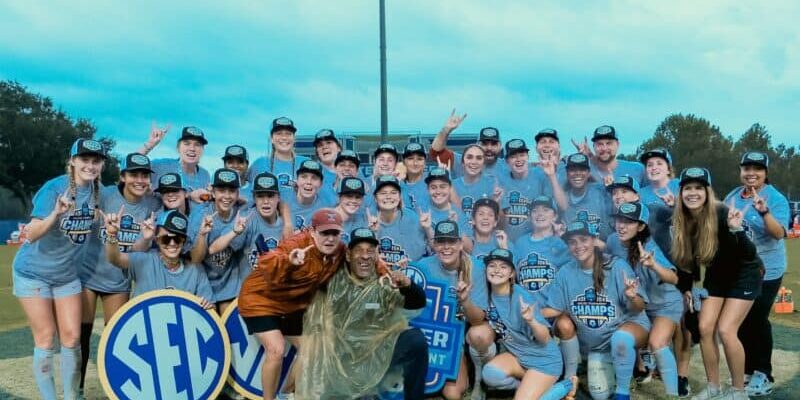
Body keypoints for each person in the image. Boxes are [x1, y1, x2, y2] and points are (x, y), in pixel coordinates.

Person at [237, 208, 388, 400]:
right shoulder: (297, 244)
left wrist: (386, 275)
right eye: (325, 233)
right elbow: (269, 261)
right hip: (261, 300)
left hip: (293, 305)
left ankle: (287, 394)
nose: (330, 238)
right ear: (312, 231)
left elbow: (366, 259)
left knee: (316, 348)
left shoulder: (340, 250)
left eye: (335, 233)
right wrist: (289, 261)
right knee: (276, 349)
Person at [13, 138, 105, 400]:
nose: (90, 165)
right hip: (33, 273)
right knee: (45, 338)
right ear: (73, 161)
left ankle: (71, 396)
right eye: (84, 160)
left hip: (66, 276)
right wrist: (55, 214)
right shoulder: (54, 188)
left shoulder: (98, 191)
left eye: (95, 161)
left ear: (101, 164)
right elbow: (31, 234)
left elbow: (130, 184)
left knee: (73, 339)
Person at [296, 227, 428, 399]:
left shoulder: (383, 282)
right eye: (359, 250)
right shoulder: (333, 279)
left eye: (370, 251)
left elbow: (416, 303)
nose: (365, 256)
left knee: (415, 340)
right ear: (349, 254)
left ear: (376, 255)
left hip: (376, 350)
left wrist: (409, 285)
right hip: (340, 356)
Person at [669, 168, 763, 400]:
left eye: (698, 188)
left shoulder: (722, 212)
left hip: (745, 273)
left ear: (708, 191)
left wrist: (736, 229)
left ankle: (739, 392)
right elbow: (687, 262)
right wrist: (687, 289)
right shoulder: (683, 218)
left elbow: (749, 254)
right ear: (681, 192)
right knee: (704, 327)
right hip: (717, 276)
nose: (693, 193)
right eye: (687, 188)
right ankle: (713, 387)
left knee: (726, 330)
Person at [78, 153, 160, 391]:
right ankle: (78, 389)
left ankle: (114, 389)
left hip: (118, 281)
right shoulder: (104, 195)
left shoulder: (151, 205)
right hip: (89, 275)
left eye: (144, 175)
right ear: (122, 176)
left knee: (116, 339)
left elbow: (135, 253)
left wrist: (146, 239)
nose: (140, 180)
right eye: (134, 174)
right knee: (82, 336)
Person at [543, 220, 650, 400]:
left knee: (621, 339)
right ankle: (571, 379)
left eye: (583, 239)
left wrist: (632, 296)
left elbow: (639, 308)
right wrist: (529, 316)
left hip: (624, 331)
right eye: (573, 242)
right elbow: (554, 309)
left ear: (594, 240)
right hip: (593, 345)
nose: (578, 246)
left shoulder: (616, 266)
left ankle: (623, 392)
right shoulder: (565, 272)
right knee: (562, 323)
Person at [465, 248, 578, 400]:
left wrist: (531, 321)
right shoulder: (486, 293)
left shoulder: (521, 297)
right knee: (490, 374)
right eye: (492, 265)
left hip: (544, 362)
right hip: (519, 358)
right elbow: (475, 318)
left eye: (503, 267)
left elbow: (544, 338)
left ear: (512, 274)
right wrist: (464, 299)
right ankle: (534, 388)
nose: (497, 270)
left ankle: (565, 385)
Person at [725, 151, 790, 397]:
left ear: (765, 173)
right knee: (741, 321)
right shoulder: (733, 195)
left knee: (757, 319)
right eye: (746, 168)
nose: (751, 173)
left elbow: (778, 234)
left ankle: (764, 373)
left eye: (757, 169)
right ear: (741, 171)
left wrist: (763, 212)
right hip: (741, 269)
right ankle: (749, 370)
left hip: (768, 270)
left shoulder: (775, 199)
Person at [608, 201, 683, 397]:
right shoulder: (612, 241)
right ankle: (632, 377)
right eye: (619, 220)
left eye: (629, 222)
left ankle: (672, 394)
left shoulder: (650, 245)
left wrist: (653, 265)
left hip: (664, 304)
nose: (622, 226)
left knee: (658, 343)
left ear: (641, 226)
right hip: (638, 305)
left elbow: (674, 278)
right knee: (622, 336)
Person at [409, 221, 486, 400]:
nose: (446, 247)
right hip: (427, 335)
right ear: (434, 244)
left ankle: (469, 369)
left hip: (454, 337)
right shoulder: (422, 267)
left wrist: (465, 301)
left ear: (460, 244)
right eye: (441, 242)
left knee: (452, 395)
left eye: (451, 242)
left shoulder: (476, 268)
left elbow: (477, 320)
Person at [102, 209, 214, 307]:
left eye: (178, 239)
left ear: (184, 241)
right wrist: (112, 234)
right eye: (166, 239)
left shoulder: (195, 270)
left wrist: (208, 306)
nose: (172, 243)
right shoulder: (145, 260)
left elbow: (209, 306)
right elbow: (115, 259)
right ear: (157, 239)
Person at [190, 168, 245, 313]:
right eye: (222, 190)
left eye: (232, 191)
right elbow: (195, 259)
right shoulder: (200, 214)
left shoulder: (242, 214)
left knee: (229, 327)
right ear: (213, 192)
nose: (227, 196)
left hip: (228, 282)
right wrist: (202, 235)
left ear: (238, 194)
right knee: (211, 324)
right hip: (203, 281)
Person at [211, 172, 285, 280]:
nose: (265, 201)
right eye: (260, 196)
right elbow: (213, 249)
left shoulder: (286, 224)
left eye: (270, 196)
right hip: (250, 290)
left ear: (278, 197)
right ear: (254, 198)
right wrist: (235, 232)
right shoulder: (247, 219)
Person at [497, 139, 561, 242]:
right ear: (507, 161)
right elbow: (499, 219)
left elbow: (556, 206)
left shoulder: (540, 175)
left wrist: (552, 175)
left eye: (522, 155)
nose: (518, 159)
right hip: (508, 243)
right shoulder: (501, 181)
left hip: (535, 242)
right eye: (513, 156)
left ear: (527, 156)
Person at [139, 124, 212, 203]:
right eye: (187, 144)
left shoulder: (205, 175)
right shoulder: (162, 166)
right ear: (178, 148)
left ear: (202, 150)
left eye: (197, 145)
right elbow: (129, 167)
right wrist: (149, 145)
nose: (192, 148)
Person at [368, 175, 428, 263]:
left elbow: (416, 256)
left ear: (399, 197)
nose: (388, 196)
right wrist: (374, 233)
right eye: (383, 193)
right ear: (375, 198)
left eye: (393, 193)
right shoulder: (368, 219)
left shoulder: (411, 218)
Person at [247, 117, 309, 191]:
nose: (284, 137)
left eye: (288, 134)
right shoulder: (260, 163)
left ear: (294, 138)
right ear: (271, 139)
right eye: (279, 133)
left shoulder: (306, 163)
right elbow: (244, 188)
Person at [562, 153, 614, 242]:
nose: (577, 173)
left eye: (582, 169)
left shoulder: (602, 191)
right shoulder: (562, 199)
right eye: (573, 170)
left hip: (605, 252)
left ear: (589, 173)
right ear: (567, 174)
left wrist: (613, 189)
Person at [418, 167, 473, 249]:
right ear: (427, 189)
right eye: (433, 187)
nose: (438, 191)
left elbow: (469, 248)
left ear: (450, 188)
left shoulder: (457, 214)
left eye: (443, 187)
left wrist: (456, 227)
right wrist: (427, 228)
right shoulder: (420, 210)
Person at [282, 160, 336, 231]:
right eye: (304, 177)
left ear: (321, 184)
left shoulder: (326, 206)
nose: (308, 182)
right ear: (297, 180)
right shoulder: (283, 198)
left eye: (314, 178)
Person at [452, 144, 500, 219]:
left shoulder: (492, 183)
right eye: (469, 157)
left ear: (484, 164)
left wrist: (496, 204)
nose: (474, 162)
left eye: (479, 158)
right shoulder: (452, 185)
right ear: (462, 163)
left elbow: (500, 222)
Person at [334, 177, 368, 244]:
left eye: (358, 197)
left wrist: (374, 231)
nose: (353, 201)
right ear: (339, 197)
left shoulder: (362, 219)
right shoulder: (325, 218)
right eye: (349, 196)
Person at [400, 142, 430, 211]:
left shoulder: (433, 181)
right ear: (403, 161)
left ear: (425, 162)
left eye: (419, 159)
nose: (415, 163)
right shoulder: (396, 183)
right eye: (410, 158)